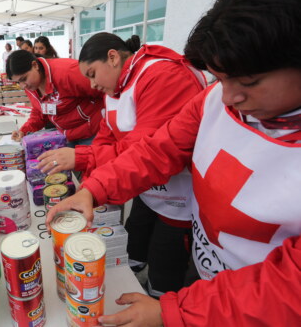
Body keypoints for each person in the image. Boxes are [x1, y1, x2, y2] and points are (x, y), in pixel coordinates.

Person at [47, 0, 301, 325]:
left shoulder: (161, 77)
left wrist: (176, 312)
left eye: (249, 80)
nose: (228, 98)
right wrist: (96, 189)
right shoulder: (215, 99)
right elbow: (157, 149)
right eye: (221, 78)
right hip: (208, 272)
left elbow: (288, 289)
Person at [38, 32, 206, 298]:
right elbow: (107, 135)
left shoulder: (162, 76)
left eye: (92, 74)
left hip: (178, 199)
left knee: (164, 269)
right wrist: (91, 179)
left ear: (113, 58)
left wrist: (85, 160)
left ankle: (156, 302)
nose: (92, 85)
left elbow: (147, 149)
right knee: (131, 248)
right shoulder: (117, 85)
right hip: (142, 187)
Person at [7, 49, 105, 145]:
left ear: (35, 65)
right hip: (67, 135)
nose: (23, 86)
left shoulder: (68, 72)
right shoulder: (31, 86)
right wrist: (24, 130)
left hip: (93, 132)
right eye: (18, 82)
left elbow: (104, 91)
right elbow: (39, 111)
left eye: (23, 79)